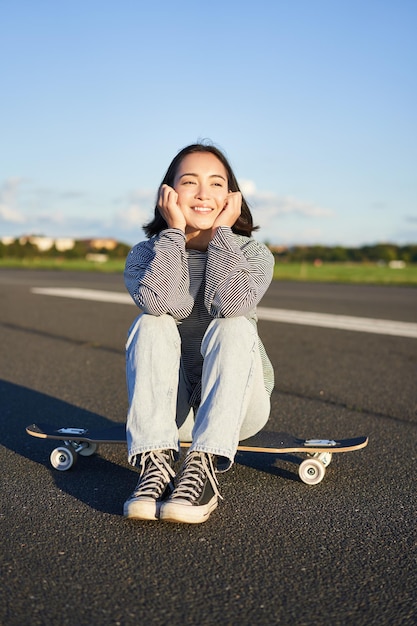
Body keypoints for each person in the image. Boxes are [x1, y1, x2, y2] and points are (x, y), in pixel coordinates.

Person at [123, 142, 275, 524]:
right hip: (172, 415)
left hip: (237, 409)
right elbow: (165, 304)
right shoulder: (145, 254)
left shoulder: (254, 254)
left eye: (216, 184)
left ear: (231, 196)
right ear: (168, 193)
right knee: (150, 322)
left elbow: (231, 305)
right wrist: (174, 232)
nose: (204, 194)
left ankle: (203, 467)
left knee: (234, 325)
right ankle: (156, 468)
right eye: (189, 182)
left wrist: (222, 232)